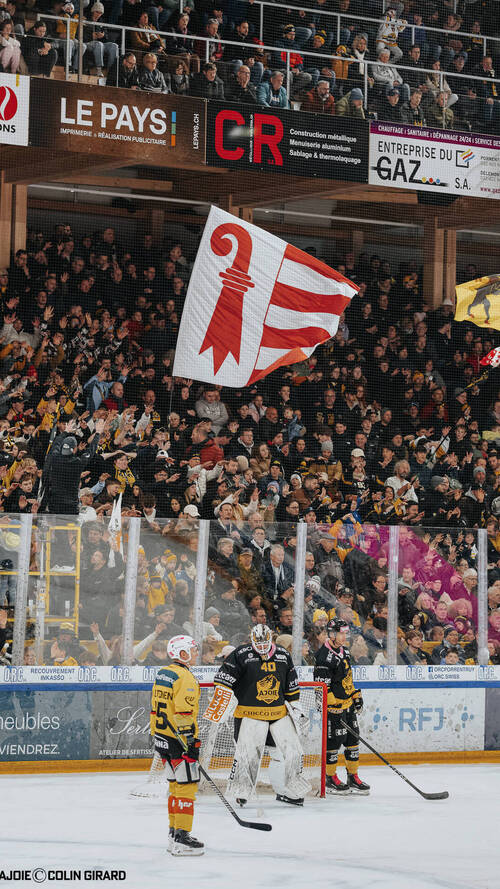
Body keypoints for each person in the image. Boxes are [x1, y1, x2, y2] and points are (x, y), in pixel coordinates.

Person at [204, 624, 310, 806]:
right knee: (247, 755)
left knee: (287, 754)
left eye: (265, 643)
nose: (261, 647)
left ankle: (286, 791)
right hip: (249, 715)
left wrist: (296, 706)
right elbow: (224, 677)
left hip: (278, 714)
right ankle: (242, 791)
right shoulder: (241, 654)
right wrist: (222, 697)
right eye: (257, 643)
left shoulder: (283, 654)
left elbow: (290, 682)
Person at [150, 634, 203, 856]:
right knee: (187, 787)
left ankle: (173, 833)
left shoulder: (164, 673)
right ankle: (182, 836)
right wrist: (190, 742)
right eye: (192, 649)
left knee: (174, 785)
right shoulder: (186, 678)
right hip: (178, 740)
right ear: (182, 653)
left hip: (162, 739)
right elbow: (183, 713)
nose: (196, 652)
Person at [313, 617, 370, 795]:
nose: (344, 636)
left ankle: (353, 776)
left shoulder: (344, 652)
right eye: (341, 633)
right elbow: (321, 688)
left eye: (345, 633)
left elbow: (347, 679)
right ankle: (330, 778)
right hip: (333, 707)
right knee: (334, 741)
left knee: (353, 739)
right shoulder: (323, 657)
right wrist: (332, 707)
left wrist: (355, 695)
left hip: (347, 704)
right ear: (331, 634)